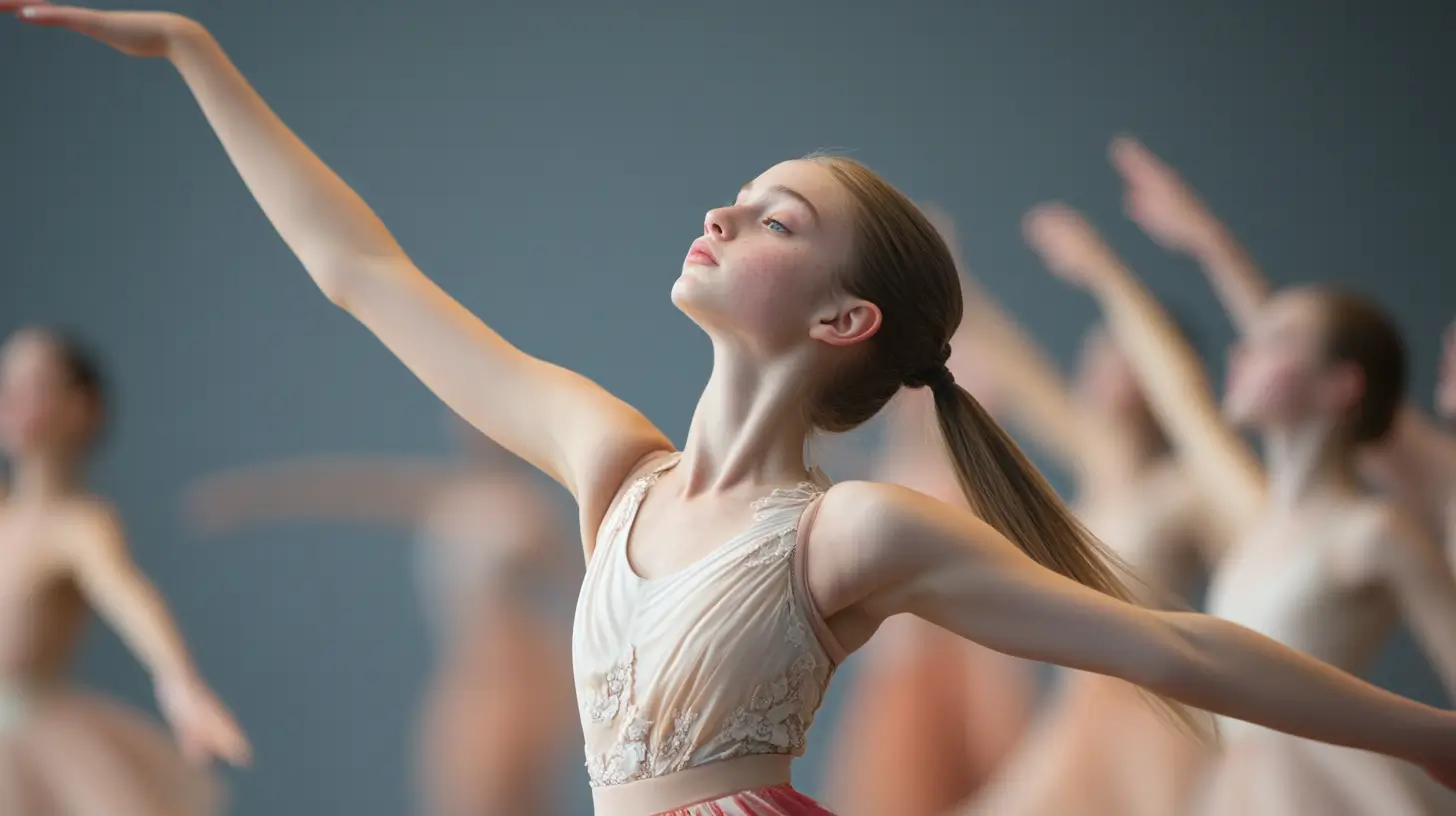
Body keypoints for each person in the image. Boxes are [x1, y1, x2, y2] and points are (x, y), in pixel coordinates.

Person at [12, 8, 1456, 814]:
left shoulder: (854, 536)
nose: (718, 212)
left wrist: (1435, 740)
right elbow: (360, 272)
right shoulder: (606, 462)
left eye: (771, 218)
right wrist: (201, 54)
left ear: (843, 320)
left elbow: (1174, 644)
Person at [1028, 190, 1456, 815]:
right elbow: (1180, 394)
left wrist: (1117, 269)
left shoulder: (1371, 532)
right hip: (1239, 788)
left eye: (1275, 340)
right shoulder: (1254, 519)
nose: (1243, 351)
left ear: (1341, 387)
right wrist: (1113, 271)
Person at [917, 205, 1223, 816]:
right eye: (1101, 347)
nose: (1101, 362)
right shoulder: (1096, 461)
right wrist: (947, 277)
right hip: (1081, 716)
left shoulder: (1190, 492)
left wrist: (1105, 273)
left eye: (1123, 354)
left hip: (1154, 723)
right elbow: (1018, 366)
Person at [184, 416, 579, 815]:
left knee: (511, 797)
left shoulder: (528, 512)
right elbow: (349, 489)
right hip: (465, 678)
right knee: (460, 793)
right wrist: (248, 497)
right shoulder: (453, 494)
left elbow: (578, 588)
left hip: (516, 684)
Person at [1109, 136, 1456, 575]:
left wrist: (1109, 273)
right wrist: (1209, 244)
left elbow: (1307, 364)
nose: (1451, 335)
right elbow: (1307, 357)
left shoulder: (1377, 530)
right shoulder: (1437, 483)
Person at [826, 209, 1037, 816]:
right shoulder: (894, 401)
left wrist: (961, 282)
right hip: (899, 668)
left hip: (951, 658)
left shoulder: (965, 384)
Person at [0, 326, 249, 815]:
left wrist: (178, 679)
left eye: (37, 385)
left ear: (80, 409)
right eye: (8, 383)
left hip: (27, 741)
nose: (13, 400)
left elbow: (126, 592)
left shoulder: (80, 526)